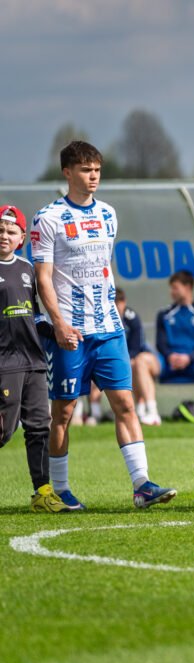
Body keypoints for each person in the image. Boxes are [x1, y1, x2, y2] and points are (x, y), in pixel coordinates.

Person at [31, 140, 175, 510]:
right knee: (64, 412)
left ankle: (142, 485)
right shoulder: (48, 218)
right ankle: (60, 488)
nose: (93, 176)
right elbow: (43, 278)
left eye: (97, 170)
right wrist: (59, 324)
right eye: (85, 170)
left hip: (109, 328)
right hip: (70, 332)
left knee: (125, 403)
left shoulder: (109, 213)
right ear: (67, 172)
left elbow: (104, 267)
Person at [0, 204, 68, 512]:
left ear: (21, 238)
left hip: (34, 362)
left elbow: (35, 316)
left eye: (11, 231)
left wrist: (58, 332)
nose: (4, 235)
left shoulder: (27, 269)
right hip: (5, 363)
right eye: (0, 230)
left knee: (40, 426)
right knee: (5, 430)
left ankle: (42, 492)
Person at [152, 270, 194, 424]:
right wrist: (170, 356)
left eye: (175, 288)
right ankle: (150, 413)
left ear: (187, 287)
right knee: (142, 361)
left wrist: (189, 357)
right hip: (168, 363)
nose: (171, 292)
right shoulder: (164, 314)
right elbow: (160, 343)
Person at [114, 288, 162, 426]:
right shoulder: (105, 319)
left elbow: (137, 347)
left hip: (144, 358)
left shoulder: (132, 317)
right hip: (124, 360)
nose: (116, 307)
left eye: (118, 303)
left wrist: (125, 360)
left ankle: (152, 412)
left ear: (124, 302)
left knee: (137, 363)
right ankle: (95, 413)